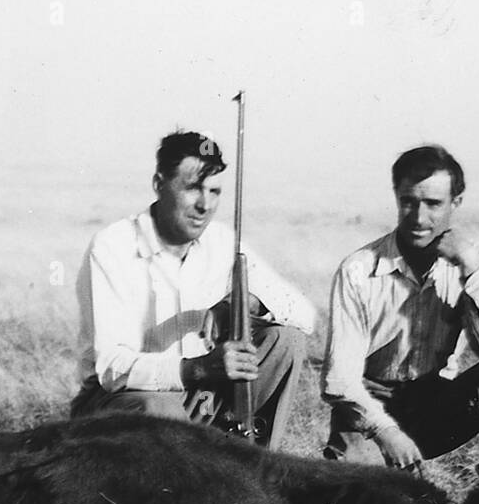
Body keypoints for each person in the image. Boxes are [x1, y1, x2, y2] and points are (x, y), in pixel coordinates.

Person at [71, 130, 316, 449]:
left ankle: (250, 469)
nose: (205, 205)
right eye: (192, 188)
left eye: (214, 192)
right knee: (160, 409)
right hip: (122, 403)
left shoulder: (223, 242)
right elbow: (112, 369)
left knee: (286, 341)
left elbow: (305, 315)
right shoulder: (113, 247)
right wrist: (198, 368)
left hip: (202, 399)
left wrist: (241, 304)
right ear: (159, 184)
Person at [321, 144, 479, 468]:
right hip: (371, 409)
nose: (419, 218)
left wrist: (471, 272)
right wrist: (387, 433)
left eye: (433, 204)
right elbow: (339, 380)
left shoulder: (476, 259)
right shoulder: (358, 270)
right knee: (358, 503)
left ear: (456, 203)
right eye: (408, 202)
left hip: (436, 403)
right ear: (396, 197)